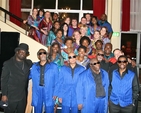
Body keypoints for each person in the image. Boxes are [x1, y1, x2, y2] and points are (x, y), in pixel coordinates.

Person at [1, 43, 32, 113]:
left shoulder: (28, 63)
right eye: (21, 51)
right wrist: (4, 94)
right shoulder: (8, 64)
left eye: (24, 52)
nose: (22, 53)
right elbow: (4, 80)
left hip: (22, 96)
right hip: (11, 96)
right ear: (17, 52)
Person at [29, 49, 59, 113]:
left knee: (49, 109)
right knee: (37, 109)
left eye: (44, 53)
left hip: (49, 91)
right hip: (37, 91)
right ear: (38, 56)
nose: (42, 54)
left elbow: (57, 81)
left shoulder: (54, 66)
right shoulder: (34, 66)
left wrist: (55, 93)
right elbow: (28, 76)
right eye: (40, 53)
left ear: (46, 54)